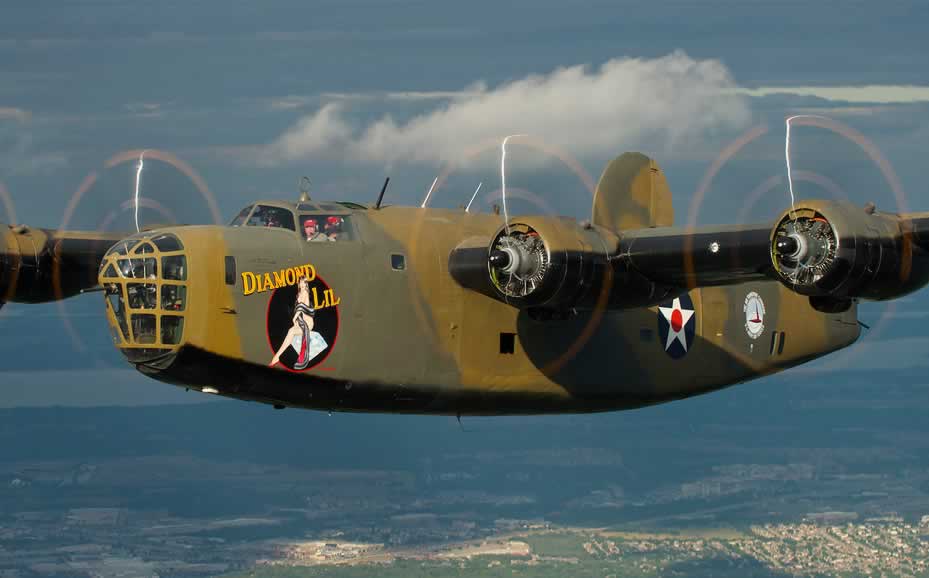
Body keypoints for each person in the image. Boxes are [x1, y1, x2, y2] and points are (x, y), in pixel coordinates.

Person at [269, 278, 328, 369]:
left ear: (306, 284)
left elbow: (301, 308)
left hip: (308, 323)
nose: (302, 284)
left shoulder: (305, 293)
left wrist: (295, 317)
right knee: (290, 331)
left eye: (304, 282)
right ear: (299, 283)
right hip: (301, 321)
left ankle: (276, 357)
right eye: (301, 282)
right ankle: (277, 356)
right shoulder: (299, 293)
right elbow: (298, 309)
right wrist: (297, 321)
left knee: (291, 332)